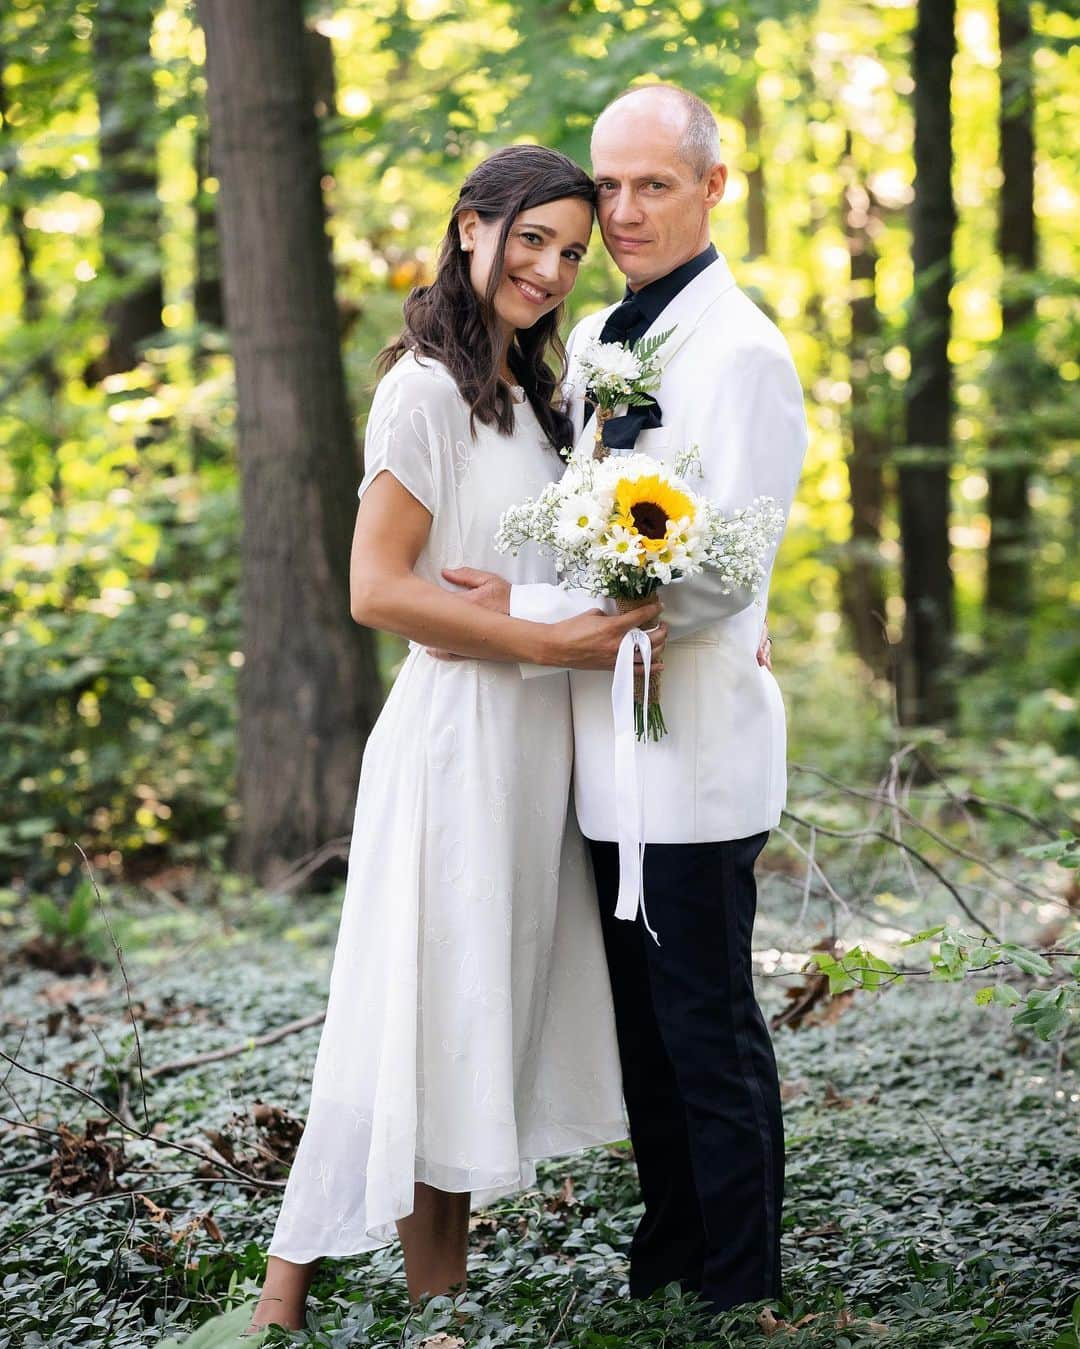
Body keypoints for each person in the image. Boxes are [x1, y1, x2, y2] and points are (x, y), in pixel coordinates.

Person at [242, 145, 668, 1333]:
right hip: (455, 743)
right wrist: (539, 645)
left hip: (535, 752)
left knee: (470, 1014)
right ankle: (290, 1298)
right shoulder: (422, 388)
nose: (552, 267)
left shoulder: (539, 401)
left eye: (573, 251)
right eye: (533, 238)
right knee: (417, 1008)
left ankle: (437, 1305)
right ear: (472, 227)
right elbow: (375, 590)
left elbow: (533, 574)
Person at [442, 87, 807, 1313]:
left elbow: (710, 579)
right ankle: (670, 1253)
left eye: (656, 184)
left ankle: (739, 1281)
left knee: (708, 1028)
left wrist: (530, 621)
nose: (627, 209)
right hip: (608, 757)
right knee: (647, 1033)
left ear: (715, 186)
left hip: (694, 753)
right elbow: (584, 521)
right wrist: (525, 584)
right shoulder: (605, 328)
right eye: (611, 186)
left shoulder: (745, 353)